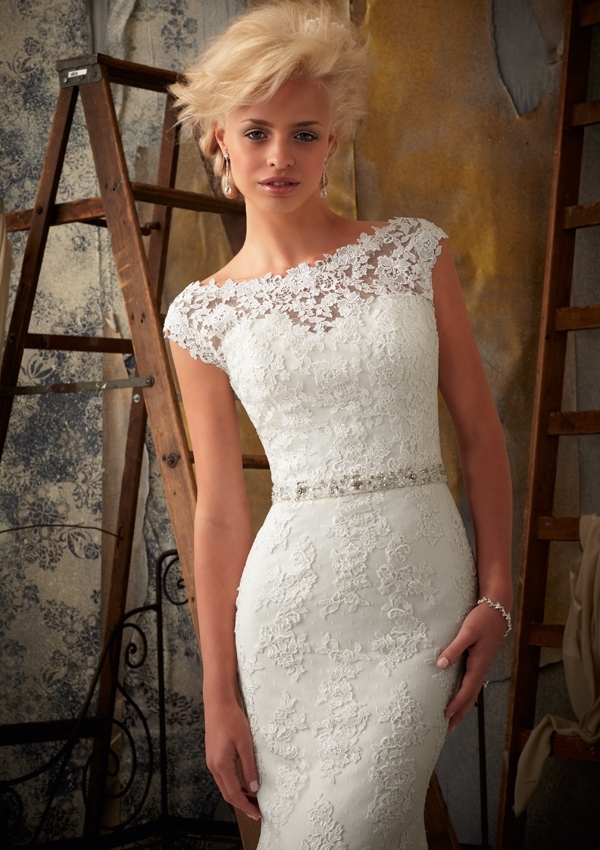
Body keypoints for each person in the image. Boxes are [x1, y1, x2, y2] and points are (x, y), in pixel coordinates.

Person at [164, 2, 513, 848]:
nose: (280, 157)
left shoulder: (413, 254)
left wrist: (498, 596)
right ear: (217, 138)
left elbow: (479, 433)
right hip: (289, 615)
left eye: (305, 134)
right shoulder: (201, 316)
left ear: (336, 137)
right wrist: (219, 696)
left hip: (420, 597)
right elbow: (220, 512)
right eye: (256, 132)